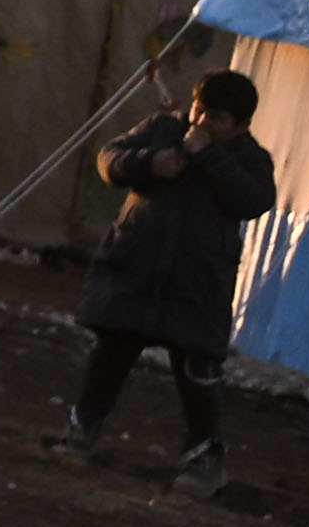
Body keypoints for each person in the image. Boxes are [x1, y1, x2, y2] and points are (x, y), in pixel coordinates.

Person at [56, 65, 275, 490]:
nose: (201, 123)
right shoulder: (162, 130)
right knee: (111, 354)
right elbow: (109, 159)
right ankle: (80, 432)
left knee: (197, 371)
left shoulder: (251, 159)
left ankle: (205, 463)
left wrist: (207, 156)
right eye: (199, 110)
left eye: (217, 118)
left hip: (196, 284)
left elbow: (255, 199)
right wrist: (150, 163)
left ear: (241, 124)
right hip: (137, 268)